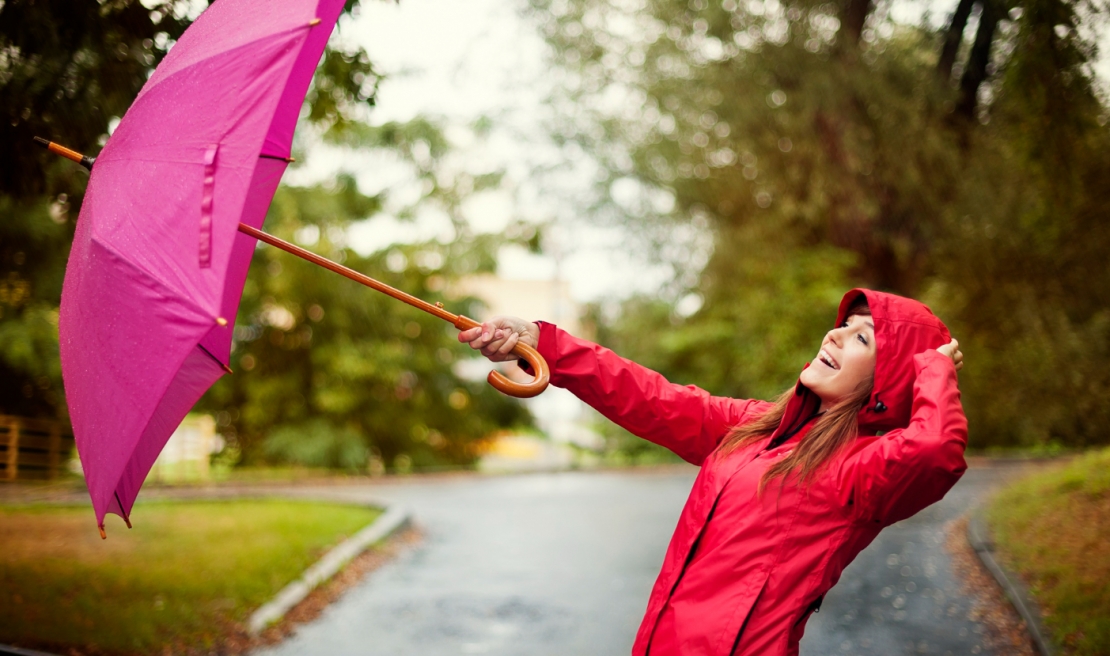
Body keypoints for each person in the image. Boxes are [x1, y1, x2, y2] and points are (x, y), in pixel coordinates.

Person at [458, 288, 966, 656]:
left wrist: (933, 369)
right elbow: (650, 397)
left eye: (863, 337)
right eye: (843, 324)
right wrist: (545, 344)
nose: (835, 333)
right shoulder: (755, 427)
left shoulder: (864, 470)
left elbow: (936, 449)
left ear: (890, 379)